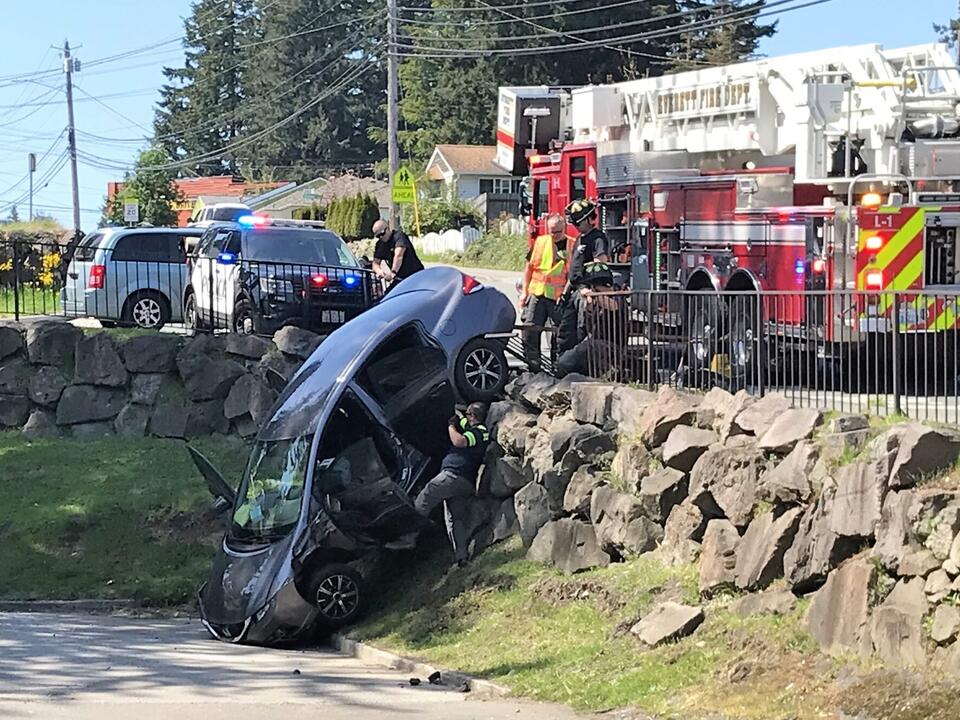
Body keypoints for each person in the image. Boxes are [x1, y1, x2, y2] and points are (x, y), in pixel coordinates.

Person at [414, 402, 490, 567]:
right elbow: (461, 421)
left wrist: (450, 427)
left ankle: (408, 533)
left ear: (473, 416)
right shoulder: (472, 428)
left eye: (468, 414)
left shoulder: (480, 431)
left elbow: (459, 441)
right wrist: (456, 413)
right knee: (455, 520)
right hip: (462, 482)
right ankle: (462, 557)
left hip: (454, 476)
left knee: (426, 494)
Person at [556, 199, 611, 355]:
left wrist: (591, 291)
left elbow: (600, 265)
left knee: (582, 329)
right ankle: (563, 361)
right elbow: (574, 271)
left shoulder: (597, 238)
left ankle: (582, 362)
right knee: (565, 332)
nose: (575, 226)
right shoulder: (579, 239)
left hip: (586, 293)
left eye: (578, 223)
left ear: (588, 219)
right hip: (574, 292)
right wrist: (565, 293)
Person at [556, 261, 628, 380]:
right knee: (565, 362)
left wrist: (593, 295)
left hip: (610, 348)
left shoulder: (617, 295)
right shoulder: (579, 299)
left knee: (586, 349)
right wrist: (589, 300)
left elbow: (614, 306)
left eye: (607, 285)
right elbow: (579, 327)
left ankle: (610, 373)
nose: (607, 288)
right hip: (582, 348)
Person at [518, 213, 570, 373]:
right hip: (537, 293)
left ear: (564, 228)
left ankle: (558, 366)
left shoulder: (571, 245)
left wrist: (566, 293)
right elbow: (528, 269)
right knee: (530, 329)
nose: (555, 235)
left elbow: (572, 274)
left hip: (558, 296)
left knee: (559, 332)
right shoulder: (540, 242)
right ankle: (533, 366)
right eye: (552, 232)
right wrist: (524, 293)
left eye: (558, 232)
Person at [372, 219, 424, 292]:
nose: (381, 237)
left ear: (388, 228)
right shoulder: (380, 245)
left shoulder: (399, 236)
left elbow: (399, 255)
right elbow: (375, 263)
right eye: (378, 236)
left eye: (382, 233)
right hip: (399, 279)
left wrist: (393, 273)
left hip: (415, 275)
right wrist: (379, 271)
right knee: (388, 295)